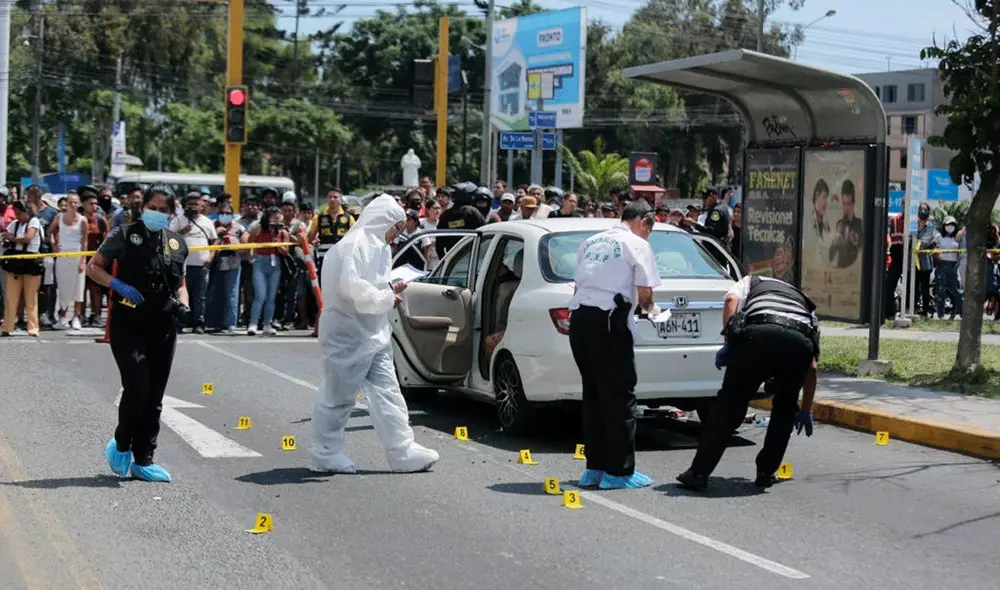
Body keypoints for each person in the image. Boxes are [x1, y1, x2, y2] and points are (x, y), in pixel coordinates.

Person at [311, 194, 440, 474]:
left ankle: (402, 450)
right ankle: (325, 453)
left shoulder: (378, 247)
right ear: (384, 220)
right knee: (338, 396)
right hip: (347, 332)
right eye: (396, 228)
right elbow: (352, 289)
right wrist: (386, 297)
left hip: (373, 331)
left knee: (388, 391)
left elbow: (372, 287)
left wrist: (389, 293)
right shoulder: (355, 246)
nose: (396, 236)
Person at [86, 184, 190, 482]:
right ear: (143, 207)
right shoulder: (123, 234)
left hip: (163, 325)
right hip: (128, 322)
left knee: (155, 396)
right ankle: (121, 445)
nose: (157, 214)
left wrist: (184, 303)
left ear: (172, 213)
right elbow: (95, 267)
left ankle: (144, 459)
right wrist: (117, 285)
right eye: (153, 208)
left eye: (164, 210)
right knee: (138, 387)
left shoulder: (177, 243)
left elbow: (182, 283)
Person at [677, 274, 819, 492]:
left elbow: (730, 302)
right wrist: (806, 409)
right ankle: (766, 473)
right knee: (785, 408)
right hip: (798, 344)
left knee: (729, 404)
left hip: (758, 336)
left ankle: (698, 473)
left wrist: (729, 341)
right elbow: (812, 366)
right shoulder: (804, 304)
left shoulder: (751, 282)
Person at [568, 200, 661, 490]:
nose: (649, 235)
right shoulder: (636, 243)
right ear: (643, 221)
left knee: (594, 396)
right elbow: (645, 295)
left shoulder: (591, 241)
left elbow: (578, 285)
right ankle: (619, 473)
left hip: (580, 319)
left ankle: (593, 469)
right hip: (609, 322)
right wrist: (653, 311)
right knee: (620, 396)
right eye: (651, 229)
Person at [170, 193, 217, 333]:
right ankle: (181, 322)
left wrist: (211, 257)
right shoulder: (177, 221)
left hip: (202, 266)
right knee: (181, 295)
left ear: (201, 206)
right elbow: (168, 238)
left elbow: (214, 241)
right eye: (190, 204)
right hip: (181, 266)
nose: (193, 207)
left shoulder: (207, 222)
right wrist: (181, 232)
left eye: (196, 204)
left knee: (200, 296)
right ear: (184, 206)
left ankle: (199, 323)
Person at [1, 201, 43, 337]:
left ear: (27, 212)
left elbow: (28, 238)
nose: (18, 216)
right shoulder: (14, 224)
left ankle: (33, 327)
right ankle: (7, 326)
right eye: (16, 214)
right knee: (11, 296)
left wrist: (12, 238)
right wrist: (7, 239)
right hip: (16, 262)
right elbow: (5, 236)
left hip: (31, 261)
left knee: (31, 297)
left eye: (19, 213)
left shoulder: (34, 222)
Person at [247, 207, 289, 336]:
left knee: (271, 296)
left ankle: (267, 324)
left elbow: (285, 250)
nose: (276, 219)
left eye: (278, 217)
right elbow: (250, 242)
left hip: (275, 263)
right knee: (260, 295)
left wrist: (277, 244)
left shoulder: (283, 232)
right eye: (273, 216)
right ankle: (253, 323)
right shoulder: (258, 229)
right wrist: (251, 256)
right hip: (260, 262)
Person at [50, 192, 88, 330]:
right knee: (63, 288)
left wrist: (83, 260)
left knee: (78, 288)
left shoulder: (83, 220)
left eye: (75, 202)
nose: (73, 205)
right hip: (62, 256)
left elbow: (85, 242)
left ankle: (76, 317)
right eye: (70, 202)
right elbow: (50, 232)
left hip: (77, 255)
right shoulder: (58, 217)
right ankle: (63, 317)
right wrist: (54, 246)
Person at [307, 188, 355, 273]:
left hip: (342, 259)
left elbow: (355, 239)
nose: (332, 199)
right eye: (330, 197)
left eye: (335, 197)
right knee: (325, 284)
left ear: (341, 200)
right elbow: (310, 238)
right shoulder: (318, 218)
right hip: (324, 258)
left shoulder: (349, 218)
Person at [435, 182, 484, 258]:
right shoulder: (473, 213)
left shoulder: (446, 215)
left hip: (453, 258)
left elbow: (439, 245)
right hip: (472, 257)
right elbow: (484, 232)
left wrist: (445, 261)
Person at [933, 215, 964, 319]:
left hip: (954, 267)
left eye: (952, 225)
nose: (950, 226)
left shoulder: (957, 238)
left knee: (957, 292)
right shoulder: (938, 236)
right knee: (940, 291)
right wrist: (936, 253)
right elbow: (933, 248)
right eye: (948, 224)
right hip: (941, 265)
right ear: (944, 225)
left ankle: (961, 313)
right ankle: (940, 316)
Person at [829, 180, 862, 268]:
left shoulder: (860, 224)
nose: (846, 208)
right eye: (844, 204)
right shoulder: (839, 224)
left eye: (849, 204)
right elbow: (831, 257)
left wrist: (855, 240)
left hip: (855, 270)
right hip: (840, 269)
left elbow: (863, 250)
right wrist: (836, 239)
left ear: (853, 204)